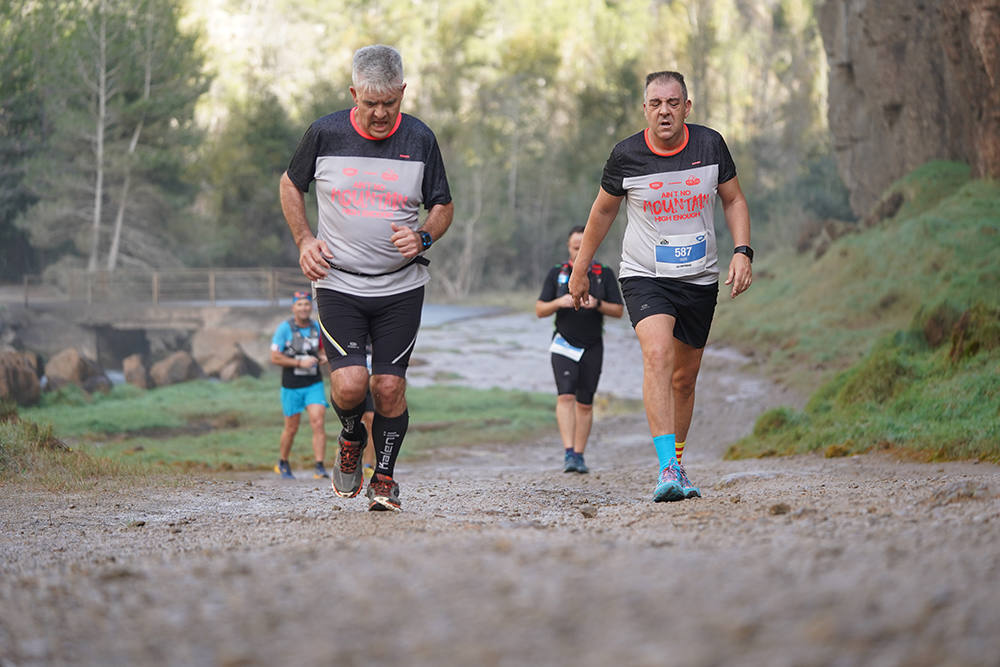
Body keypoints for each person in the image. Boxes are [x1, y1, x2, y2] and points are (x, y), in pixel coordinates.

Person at [279, 44, 453, 511]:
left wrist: (424, 237)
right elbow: (290, 184)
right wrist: (304, 240)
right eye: (369, 103)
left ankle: (385, 478)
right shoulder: (324, 133)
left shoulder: (420, 138)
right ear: (354, 93)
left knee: (389, 387)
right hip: (338, 282)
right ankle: (352, 434)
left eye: (389, 103)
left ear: (402, 92)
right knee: (351, 385)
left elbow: (442, 205)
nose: (379, 114)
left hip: (401, 286)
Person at [568, 71, 753, 502]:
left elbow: (734, 200)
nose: (664, 110)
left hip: (699, 279)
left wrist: (742, 250)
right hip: (644, 274)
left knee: (685, 379)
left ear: (687, 107)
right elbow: (601, 214)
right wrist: (581, 268)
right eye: (656, 103)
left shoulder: (710, 145)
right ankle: (666, 466)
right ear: (645, 109)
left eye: (673, 102)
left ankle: (679, 463)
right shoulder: (626, 156)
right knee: (657, 354)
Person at [536, 225, 623, 474]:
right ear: (568, 246)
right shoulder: (557, 273)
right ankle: (568, 453)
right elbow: (539, 309)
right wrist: (558, 302)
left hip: (593, 344)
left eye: (584, 246)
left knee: (585, 402)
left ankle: (579, 455)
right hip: (563, 342)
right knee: (565, 396)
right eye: (575, 246)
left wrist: (597, 304)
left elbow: (618, 311)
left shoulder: (603, 273)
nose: (579, 250)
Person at [270, 290, 329, 480]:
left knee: (318, 421)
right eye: (300, 304)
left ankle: (319, 466)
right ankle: (283, 462)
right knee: (291, 428)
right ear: (293, 308)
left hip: (313, 383)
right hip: (291, 385)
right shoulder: (284, 329)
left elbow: (322, 350)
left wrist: (323, 357)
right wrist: (298, 363)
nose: (304, 308)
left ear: (310, 307)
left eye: (306, 304)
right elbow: (275, 357)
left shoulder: (317, 328)